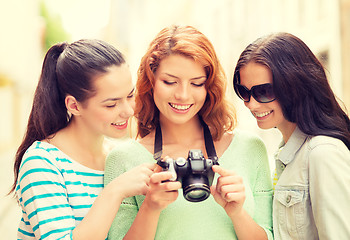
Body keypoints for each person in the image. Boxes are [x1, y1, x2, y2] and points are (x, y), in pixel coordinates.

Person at [104, 25, 273, 240]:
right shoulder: (123, 159)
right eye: (170, 82)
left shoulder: (250, 148)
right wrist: (150, 208)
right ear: (151, 82)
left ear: (209, 87)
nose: (183, 95)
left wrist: (237, 213)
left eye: (196, 83)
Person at [10, 39, 156, 240]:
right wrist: (115, 191)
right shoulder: (42, 162)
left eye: (130, 96)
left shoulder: (119, 156)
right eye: (111, 104)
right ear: (74, 106)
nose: (128, 111)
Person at [233, 32, 350, 239]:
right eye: (244, 92)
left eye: (264, 91)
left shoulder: (323, 153)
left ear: (295, 86)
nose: (251, 103)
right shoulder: (286, 153)